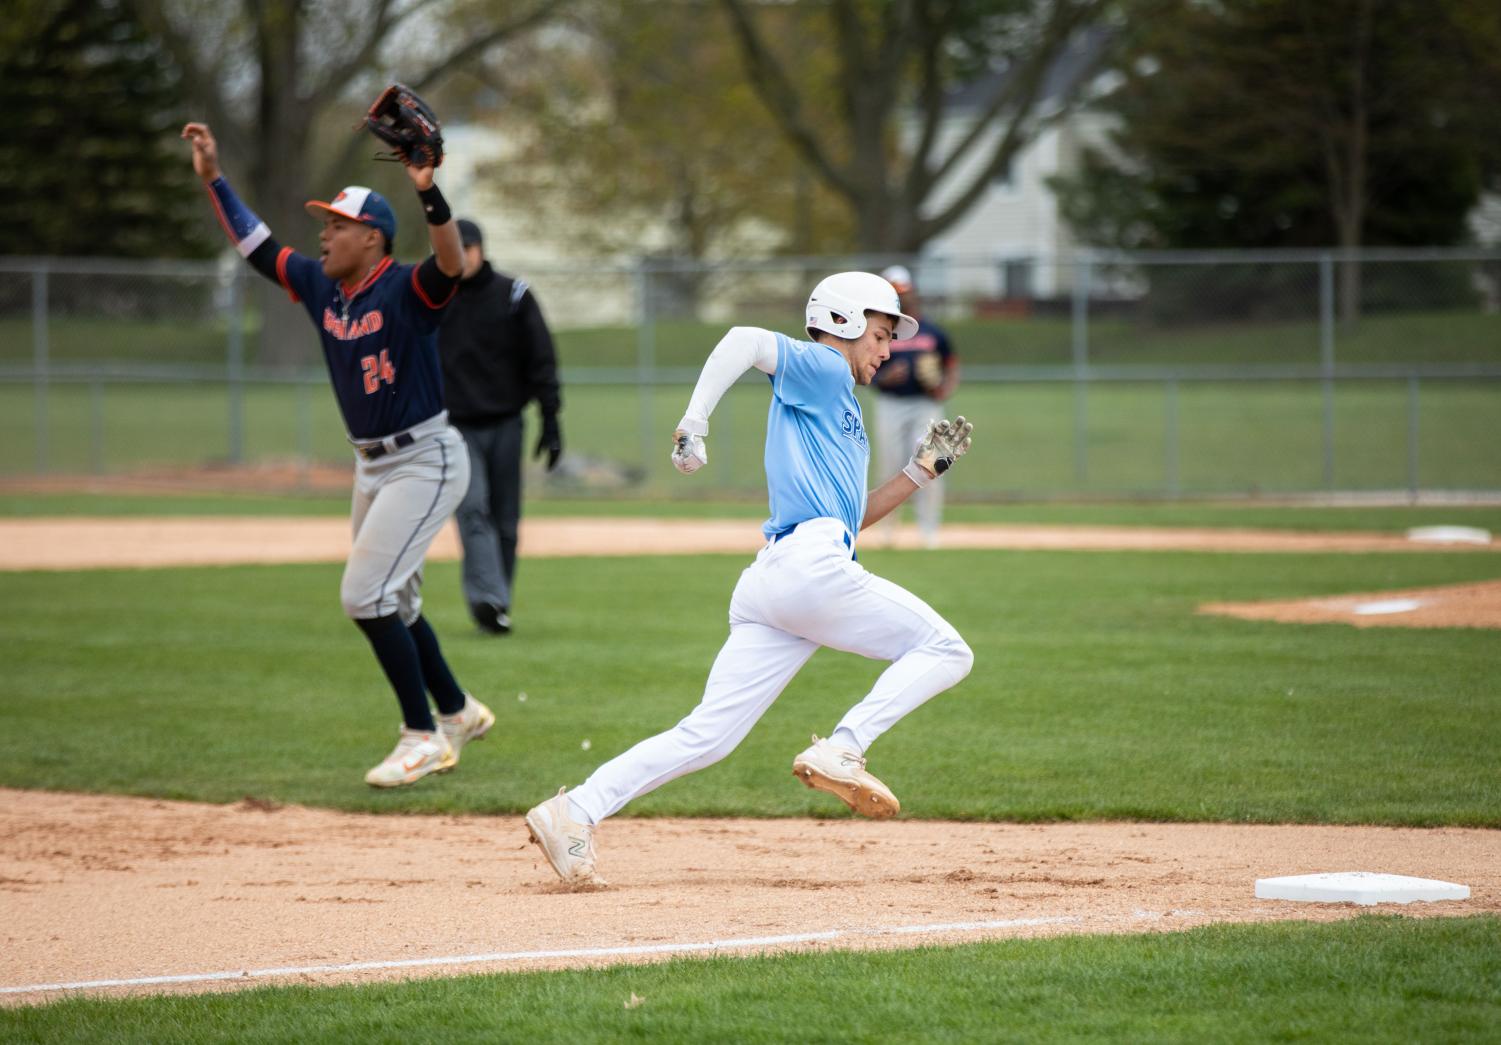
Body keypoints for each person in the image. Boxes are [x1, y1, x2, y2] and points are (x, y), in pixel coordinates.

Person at [524, 271, 975, 889]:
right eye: (880, 332)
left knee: (707, 736)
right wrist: (695, 420)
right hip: (809, 569)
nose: (887, 349)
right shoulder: (824, 366)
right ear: (842, 323)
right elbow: (743, 339)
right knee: (947, 649)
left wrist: (921, 472)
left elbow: (850, 518)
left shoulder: (838, 399)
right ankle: (845, 745)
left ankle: (574, 811)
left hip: (779, 578)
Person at [181, 121, 495, 788]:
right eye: (324, 224)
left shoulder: (406, 289)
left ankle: (421, 737)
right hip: (372, 464)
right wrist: (214, 178)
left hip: (425, 457)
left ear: (372, 236)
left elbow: (449, 262)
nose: (324, 235)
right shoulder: (326, 287)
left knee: (364, 594)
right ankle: (457, 710)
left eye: (337, 225)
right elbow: (257, 247)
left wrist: (427, 189)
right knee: (396, 603)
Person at [437, 218, 563, 635]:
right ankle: (487, 598)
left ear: (479, 249)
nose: (460, 256)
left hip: (507, 422)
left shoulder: (512, 295)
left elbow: (541, 359)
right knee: (473, 509)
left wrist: (551, 420)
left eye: (466, 248)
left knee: (506, 521)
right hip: (455, 427)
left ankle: (497, 604)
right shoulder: (433, 296)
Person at [872, 265, 959, 548]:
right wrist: (887, 376)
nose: (900, 297)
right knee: (889, 465)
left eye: (902, 291)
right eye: (893, 292)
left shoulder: (931, 331)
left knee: (932, 464)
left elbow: (951, 364)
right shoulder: (879, 332)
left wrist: (944, 388)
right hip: (891, 403)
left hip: (925, 404)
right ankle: (887, 531)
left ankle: (929, 531)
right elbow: (867, 374)